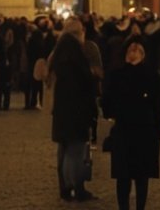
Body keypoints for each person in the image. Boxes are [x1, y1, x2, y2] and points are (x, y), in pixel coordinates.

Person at [103, 37, 160, 210]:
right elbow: (107, 103)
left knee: (141, 177)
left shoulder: (152, 76)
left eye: (137, 50)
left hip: (144, 131)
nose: (134, 52)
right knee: (124, 177)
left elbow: (158, 105)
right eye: (131, 49)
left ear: (143, 55)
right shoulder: (117, 75)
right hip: (124, 130)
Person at [50, 17, 101, 202]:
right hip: (76, 109)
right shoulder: (76, 53)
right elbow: (83, 82)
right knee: (76, 150)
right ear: (79, 33)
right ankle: (76, 187)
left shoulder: (59, 51)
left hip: (62, 109)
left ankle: (64, 187)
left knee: (64, 149)